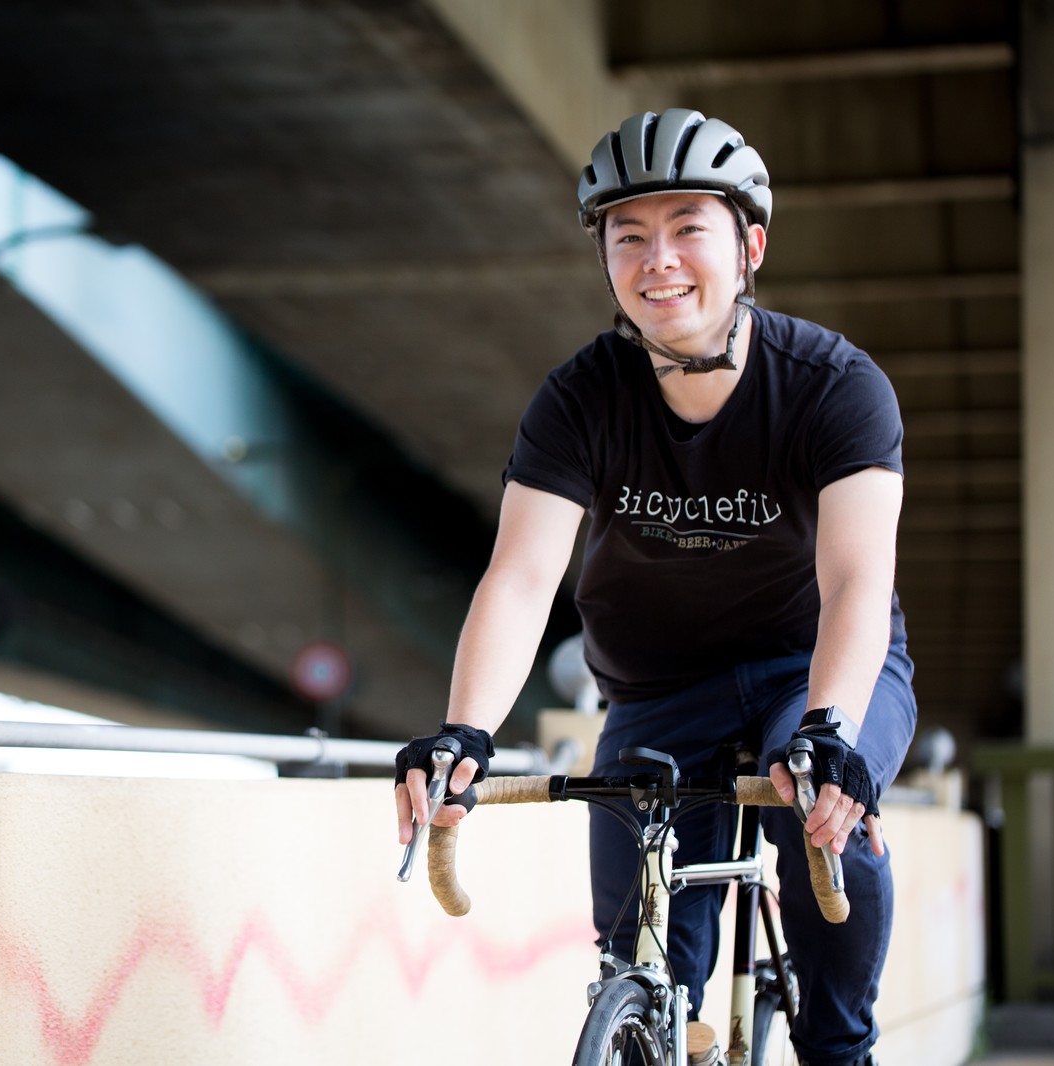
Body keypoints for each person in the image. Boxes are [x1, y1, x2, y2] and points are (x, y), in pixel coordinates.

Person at [393, 108, 916, 1066]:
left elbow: (854, 582)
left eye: (688, 230)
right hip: (657, 691)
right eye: (628, 237)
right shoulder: (580, 399)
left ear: (750, 245)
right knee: (644, 967)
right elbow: (520, 575)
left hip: (815, 667)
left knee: (825, 818)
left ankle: (842, 1047)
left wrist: (831, 732)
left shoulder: (836, 386)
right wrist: (465, 733)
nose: (657, 259)